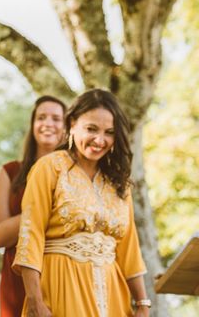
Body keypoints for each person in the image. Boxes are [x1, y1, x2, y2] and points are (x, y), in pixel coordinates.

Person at [12, 89, 151, 317]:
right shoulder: (50, 167)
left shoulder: (119, 183)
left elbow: (129, 248)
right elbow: (31, 235)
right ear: (72, 124)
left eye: (109, 132)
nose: (100, 140)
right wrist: (35, 300)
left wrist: (143, 304)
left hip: (114, 293)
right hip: (61, 286)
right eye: (91, 129)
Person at [0, 96, 66, 317]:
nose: (48, 123)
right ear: (33, 126)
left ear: (67, 127)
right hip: (18, 275)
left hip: (62, 272)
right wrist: (42, 207)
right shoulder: (10, 172)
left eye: (56, 118)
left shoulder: (76, 177)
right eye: (41, 117)